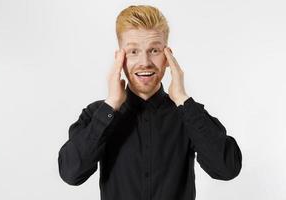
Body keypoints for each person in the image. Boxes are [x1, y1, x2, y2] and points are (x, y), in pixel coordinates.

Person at [58, 5, 242, 200]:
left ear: (167, 56)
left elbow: (227, 169)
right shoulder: (97, 114)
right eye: (133, 51)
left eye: (154, 50)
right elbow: (71, 173)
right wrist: (111, 104)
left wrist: (182, 100)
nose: (145, 62)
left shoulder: (188, 114)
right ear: (119, 58)